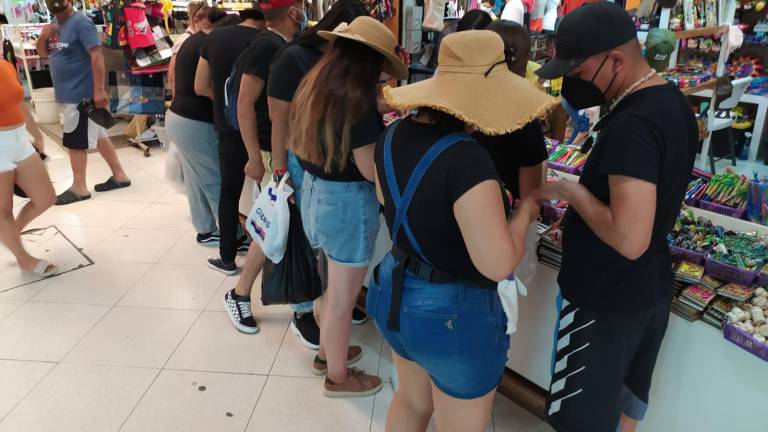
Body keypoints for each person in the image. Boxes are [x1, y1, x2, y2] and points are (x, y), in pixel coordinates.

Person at [368, 30, 553, 431]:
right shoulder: (469, 160)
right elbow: (497, 263)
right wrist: (525, 211)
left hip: (393, 290)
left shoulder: (391, 134)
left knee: (411, 402)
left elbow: (387, 199)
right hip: (451, 315)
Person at [532, 3, 698, 432]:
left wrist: (571, 191)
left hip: (604, 300)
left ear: (616, 60)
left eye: (581, 72)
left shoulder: (634, 124)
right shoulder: (671, 101)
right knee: (623, 411)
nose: (575, 83)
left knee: (580, 420)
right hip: (646, 288)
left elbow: (629, 237)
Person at [290, 16, 406, 397]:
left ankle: (328, 353)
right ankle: (338, 377)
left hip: (315, 192)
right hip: (346, 204)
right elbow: (370, 169)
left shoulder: (318, 83)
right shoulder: (357, 103)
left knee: (331, 285)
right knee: (343, 298)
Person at [265, 0, 370, 349]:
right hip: (301, 159)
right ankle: (304, 312)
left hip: (320, 160)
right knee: (299, 239)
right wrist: (280, 171)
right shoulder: (294, 58)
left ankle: (333, 313)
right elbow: (279, 121)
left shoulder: (333, 64)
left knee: (324, 249)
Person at [219, 0, 307, 335]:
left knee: (278, 222)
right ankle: (240, 293)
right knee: (273, 223)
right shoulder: (269, 45)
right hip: (272, 150)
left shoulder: (276, 44)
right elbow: (244, 102)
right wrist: (254, 156)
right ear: (292, 12)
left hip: (280, 149)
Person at [36, 0, 131, 206]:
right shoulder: (54, 24)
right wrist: (44, 36)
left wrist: (98, 90)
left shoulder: (81, 23)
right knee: (99, 136)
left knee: (75, 142)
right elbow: (43, 54)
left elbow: (97, 56)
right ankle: (120, 175)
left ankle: (79, 188)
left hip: (80, 96)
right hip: (69, 94)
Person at [194, 8, 264, 275]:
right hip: (264, 130)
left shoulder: (214, 38)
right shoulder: (268, 40)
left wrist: (227, 105)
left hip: (228, 128)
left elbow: (200, 86)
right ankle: (273, 261)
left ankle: (227, 258)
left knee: (229, 192)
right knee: (274, 196)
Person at [166, 9, 232, 249]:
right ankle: (231, 235)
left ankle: (205, 230)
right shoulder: (209, 44)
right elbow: (203, 87)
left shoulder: (189, 41)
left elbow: (173, 77)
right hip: (196, 122)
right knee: (214, 179)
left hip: (176, 116)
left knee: (195, 178)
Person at [472, 20, 549, 200]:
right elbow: (531, 200)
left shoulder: (460, 110)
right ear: (523, 66)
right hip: (505, 221)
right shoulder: (525, 123)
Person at [0, 59, 57, 276]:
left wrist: (36, 133)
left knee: (46, 197)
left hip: (19, 141)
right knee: (2, 209)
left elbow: (19, 103)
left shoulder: (5, 65)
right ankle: (22, 257)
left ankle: (12, 233)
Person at [168, 0, 207, 99]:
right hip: (185, 101)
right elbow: (172, 76)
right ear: (195, 19)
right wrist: (176, 98)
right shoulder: (184, 40)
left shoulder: (198, 38)